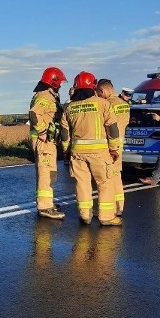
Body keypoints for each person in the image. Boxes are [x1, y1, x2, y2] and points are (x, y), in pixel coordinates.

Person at [60, 71, 122, 226]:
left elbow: (64, 133)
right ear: (93, 85)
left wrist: (66, 151)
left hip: (77, 153)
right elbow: (112, 128)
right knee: (104, 183)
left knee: (82, 184)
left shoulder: (69, 107)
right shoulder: (102, 103)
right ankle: (106, 216)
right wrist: (114, 148)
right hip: (100, 153)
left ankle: (85, 215)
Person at [29, 66, 67, 219]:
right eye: (60, 83)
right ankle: (45, 207)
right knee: (45, 173)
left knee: (48, 173)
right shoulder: (45, 96)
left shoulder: (48, 95)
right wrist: (42, 131)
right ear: (54, 81)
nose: (61, 85)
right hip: (43, 141)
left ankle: (46, 202)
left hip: (48, 142)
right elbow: (34, 114)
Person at [96, 78, 130, 215]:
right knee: (116, 176)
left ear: (102, 90)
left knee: (107, 178)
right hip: (119, 145)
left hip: (108, 146)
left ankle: (107, 210)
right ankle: (119, 207)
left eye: (98, 93)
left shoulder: (106, 104)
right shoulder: (124, 104)